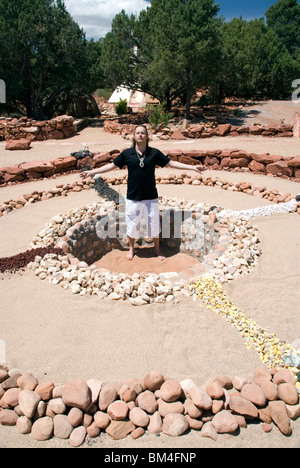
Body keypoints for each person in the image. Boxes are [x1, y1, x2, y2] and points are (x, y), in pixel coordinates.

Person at [80, 124, 206, 260]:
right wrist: (91, 172)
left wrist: (192, 168)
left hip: (150, 196)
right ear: (134, 136)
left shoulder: (154, 153)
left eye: (143, 133)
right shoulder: (127, 154)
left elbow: (171, 163)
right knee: (132, 225)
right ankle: (131, 249)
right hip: (133, 196)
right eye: (138, 133)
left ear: (147, 136)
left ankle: (157, 249)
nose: (140, 135)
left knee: (154, 225)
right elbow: (111, 166)